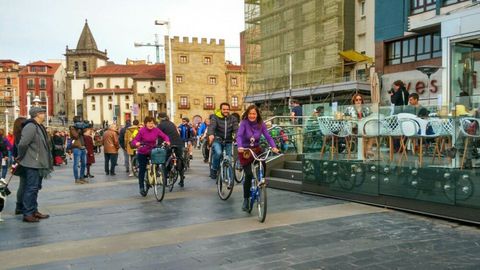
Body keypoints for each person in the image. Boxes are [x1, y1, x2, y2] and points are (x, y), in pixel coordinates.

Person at [237, 105, 279, 211]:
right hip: (245, 151)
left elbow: (268, 136)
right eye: (250, 113)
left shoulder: (261, 124)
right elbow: (239, 136)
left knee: (263, 163)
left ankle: (261, 182)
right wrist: (240, 146)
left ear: (257, 114)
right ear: (247, 114)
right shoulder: (244, 123)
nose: (252, 115)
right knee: (249, 175)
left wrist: (274, 147)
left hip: (256, 150)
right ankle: (246, 199)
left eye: (254, 113)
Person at [17, 107, 53, 222]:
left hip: (39, 162)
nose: (45, 114)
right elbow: (22, 144)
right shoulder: (30, 127)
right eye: (43, 113)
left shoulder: (39, 127)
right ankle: (27, 213)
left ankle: (33, 210)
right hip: (32, 162)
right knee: (31, 188)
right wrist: (21, 156)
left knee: (35, 188)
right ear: (37, 114)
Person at [132, 116, 170, 196]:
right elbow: (135, 140)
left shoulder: (156, 130)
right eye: (149, 123)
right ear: (146, 123)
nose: (151, 124)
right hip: (143, 151)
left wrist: (167, 141)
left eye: (152, 123)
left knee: (158, 162)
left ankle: (155, 173)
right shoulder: (142, 131)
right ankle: (141, 187)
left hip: (152, 151)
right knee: (142, 169)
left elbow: (164, 136)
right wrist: (136, 143)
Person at [207, 103, 239, 179]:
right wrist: (211, 134)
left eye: (227, 109)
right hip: (217, 140)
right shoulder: (215, 117)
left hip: (228, 141)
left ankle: (230, 179)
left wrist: (236, 136)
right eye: (224, 109)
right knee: (218, 153)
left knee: (229, 158)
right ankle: (214, 169)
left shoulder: (233, 118)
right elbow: (211, 127)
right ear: (221, 109)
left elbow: (236, 129)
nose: (226, 111)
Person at [158, 112, 186, 187]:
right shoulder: (171, 123)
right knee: (179, 159)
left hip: (169, 144)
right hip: (178, 143)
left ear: (159, 118)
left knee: (164, 160)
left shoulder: (160, 125)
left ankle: (165, 179)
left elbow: (160, 136)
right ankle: (182, 178)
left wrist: (158, 145)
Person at [69, 117, 87, 184]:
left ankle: (82, 177)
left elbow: (85, 132)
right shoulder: (72, 128)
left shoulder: (81, 128)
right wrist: (79, 130)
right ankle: (76, 179)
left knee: (84, 164)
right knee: (76, 164)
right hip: (77, 148)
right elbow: (76, 136)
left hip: (83, 147)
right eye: (80, 121)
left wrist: (84, 126)